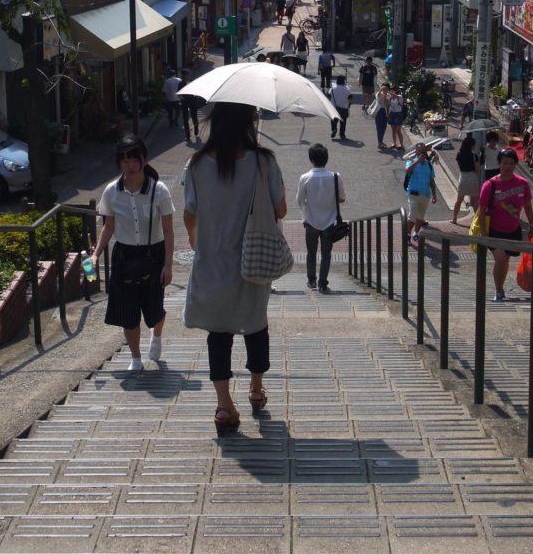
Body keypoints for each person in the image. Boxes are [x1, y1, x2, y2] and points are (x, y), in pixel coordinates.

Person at [183, 103, 287, 429]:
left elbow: (190, 211)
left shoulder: (197, 164)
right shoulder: (263, 162)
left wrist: (195, 240)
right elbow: (281, 209)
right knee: (255, 325)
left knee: (219, 331)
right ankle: (256, 390)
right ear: (248, 122)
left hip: (213, 260)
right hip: (252, 258)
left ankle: (224, 405)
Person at [92, 135, 174, 370]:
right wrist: (96, 254)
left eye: (133, 159)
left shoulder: (159, 190)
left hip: (154, 255)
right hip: (124, 256)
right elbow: (108, 226)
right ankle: (135, 358)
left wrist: (168, 265)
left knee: (154, 310)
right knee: (128, 311)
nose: (129, 165)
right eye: (124, 160)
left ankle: (156, 336)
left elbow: (168, 231)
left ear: (144, 160)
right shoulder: (111, 191)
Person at [478, 146, 533, 302]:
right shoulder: (490, 185)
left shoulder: (523, 184)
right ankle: (498, 291)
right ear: (499, 164)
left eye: (511, 163)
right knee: (500, 259)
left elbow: (528, 206)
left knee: (505, 260)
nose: (508, 166)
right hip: (494, 229)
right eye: (504, 163)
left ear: (515, 164)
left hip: (513, 229)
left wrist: (532, 225)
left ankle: (500, 288)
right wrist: (483, 232)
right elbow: (482, 209)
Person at [296, 143, 346, 294]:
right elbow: (342, 198)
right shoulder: (335, 177)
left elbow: (299, 201)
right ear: (326, 158)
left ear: (311, 159)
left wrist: (309, 204)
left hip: (310, 220)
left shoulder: (304, 178)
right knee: (326, 253)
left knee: (311, 253)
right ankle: (323, 283)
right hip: (330, 221)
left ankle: (311, 280)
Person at [405, 142, 437, 243]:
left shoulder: (429, 165)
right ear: (416, 151)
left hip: (425, 194)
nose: (422, 153)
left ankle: (416, 233)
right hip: (413, 194)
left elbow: (432, 180)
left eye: (424, 151)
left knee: (420, 216)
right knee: (412, 216)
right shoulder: (411, 161)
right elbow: (408, 170)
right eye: (420, 151)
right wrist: (417, 161)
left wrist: (434, 194)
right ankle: (408, 234)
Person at [452, 134, 480, 224]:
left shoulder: (459, 155)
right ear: (471, 146)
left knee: (459, 200)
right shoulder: (474, 156)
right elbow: (477, 170)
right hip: (472, 178)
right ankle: (477, 221)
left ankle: (454, 219)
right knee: (476, 202)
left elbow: (459, 166)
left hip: (463, 178)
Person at [178, 69, 201, 144]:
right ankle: (187, 135)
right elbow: (178, 93)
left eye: (188, 74)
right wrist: (181, 98)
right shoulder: (181, 84)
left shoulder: (193, 82)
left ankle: (196, 127)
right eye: (185, 75)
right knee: (185, 119)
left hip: (193, 102)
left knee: (194, 117)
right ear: (183, 76)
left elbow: (198, 90)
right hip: (184, 103)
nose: (187, 76)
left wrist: (197, 96)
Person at [329, 75, 353, 141]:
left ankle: (334, 129)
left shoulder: (332, 88)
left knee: (333, 121)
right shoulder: (347, 88)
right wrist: (349, 104)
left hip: (334, 108)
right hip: (344, 107)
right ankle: (342, 134)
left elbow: (329, 96)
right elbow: (350, 98)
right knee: (343, 122)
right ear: (344, 81)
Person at [374, 83, 391, 150]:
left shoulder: (388, 95)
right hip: (379, 111)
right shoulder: (379, 93)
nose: (385, 89)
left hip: (385, 111)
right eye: (384, 88)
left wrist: (388, 113)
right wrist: (381, 89)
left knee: (384, 127)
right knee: (379, 128)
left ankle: (381, 141)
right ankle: (379, 143)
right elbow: (378, 96)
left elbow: (388, 105)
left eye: (386, 88)